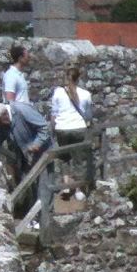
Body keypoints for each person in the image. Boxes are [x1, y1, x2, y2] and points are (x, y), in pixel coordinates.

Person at [48, 62, 94, 195]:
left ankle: (66, 185)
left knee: (64, 158)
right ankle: (79, 189)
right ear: (78, 78)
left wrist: (53, 129)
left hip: (62, 128)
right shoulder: (85, 94)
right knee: (79, 159)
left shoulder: (57, 92)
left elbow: (54, 113)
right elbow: (89, 115)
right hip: (79, 128)